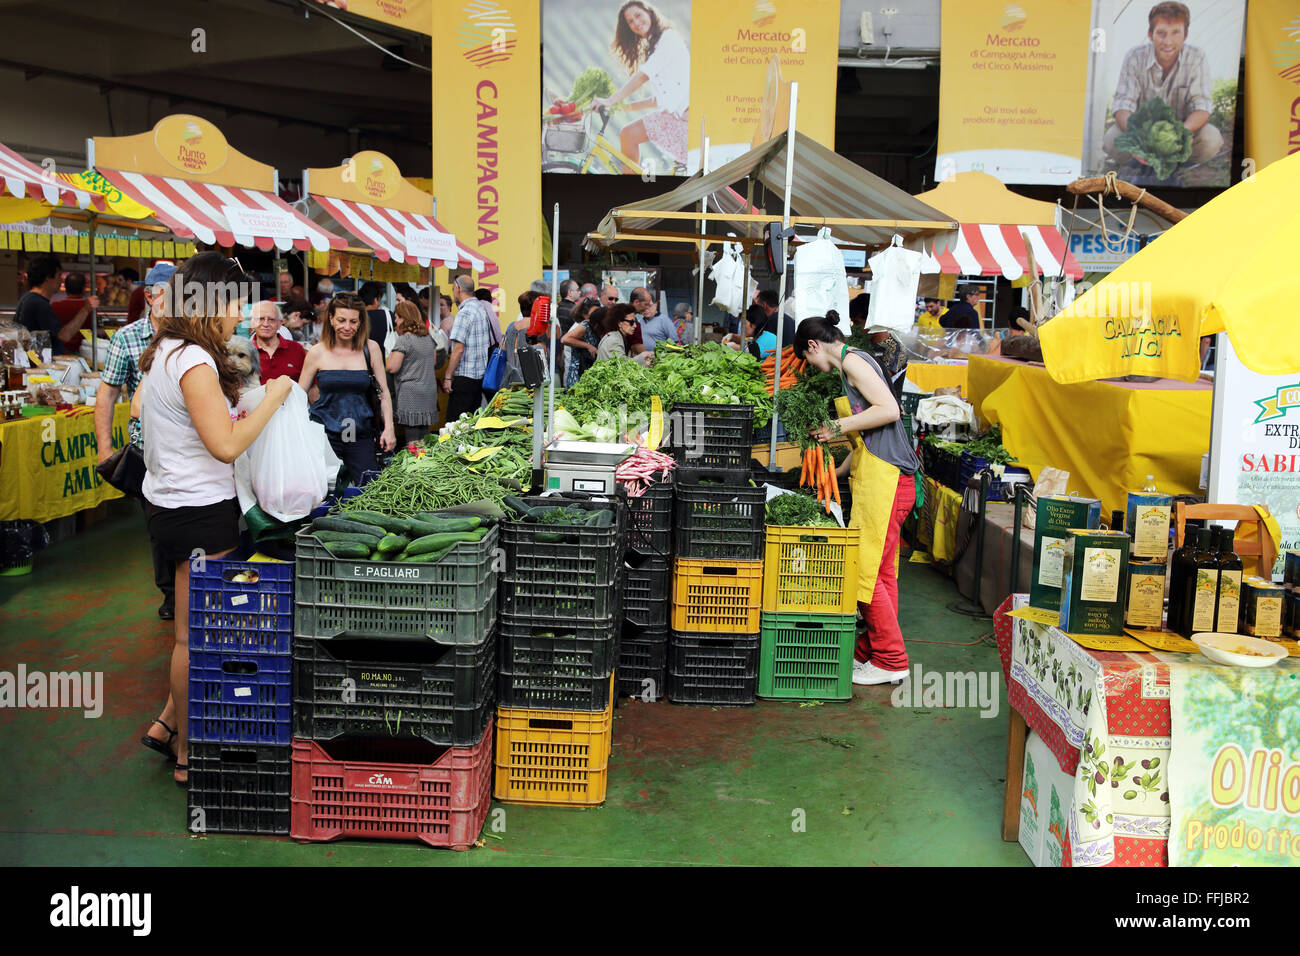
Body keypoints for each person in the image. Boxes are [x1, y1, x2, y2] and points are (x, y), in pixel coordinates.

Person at [136, 252, 295, 785]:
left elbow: (184, 424)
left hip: (169, 504)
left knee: (194, 627)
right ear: (210, 303)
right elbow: (225, 447)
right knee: (196, 637)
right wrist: (272, 399)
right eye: (236, 306)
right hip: (199, 511)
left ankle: (165, 724)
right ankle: (188, 755)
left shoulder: (166, 350)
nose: (241, 318)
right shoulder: (195, 362)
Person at [795, 316, 919, 686]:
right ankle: (871, 650)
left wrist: (834, 427)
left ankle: (892, 660)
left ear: (813, 346)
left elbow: (888, 411)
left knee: (863, 571)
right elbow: (870, 437)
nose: (811, 366)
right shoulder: (857, 360)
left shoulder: (852, 363)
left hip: (887, 483)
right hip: (887, 480)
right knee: (882, 574)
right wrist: (834, 473)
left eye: (806, 358)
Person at [96, 261, 176, 622]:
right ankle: (171, 592)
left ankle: (199, 585)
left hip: (193, 443)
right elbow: (108, 394)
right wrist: (104, 448)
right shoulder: (127, 338)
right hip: (147, 449)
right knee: (158, 523)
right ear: (150, 296)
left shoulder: (193, 334)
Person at [1103, 1, 1221, 170]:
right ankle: (1141, 164)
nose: (1168, 41)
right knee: (1112, 138)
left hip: (1181, 134)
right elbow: (1123, 105)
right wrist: (1141, 138)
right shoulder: (1135, 57)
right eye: (1161, 33)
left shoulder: (1196, 57)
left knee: (1211, 139)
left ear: (1185, 35)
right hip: (1142, 133)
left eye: (1175, 33)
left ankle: (1179, 162)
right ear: (1150, 34)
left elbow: (1202, 106)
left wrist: (1177, 135)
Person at [299, 293, 396, 484]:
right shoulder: (317, 352)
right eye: (341, 320)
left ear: (360, 323)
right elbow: (299, 394)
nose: (347, 327)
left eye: (353, 321)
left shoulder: (371, 348)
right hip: (324, 432)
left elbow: (384, 392)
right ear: (331, 319)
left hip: (359, 431)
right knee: (325, 489)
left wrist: (389, 428)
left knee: (368, 488)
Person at [591, 1, 689, 171]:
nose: (636, 23)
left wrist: (611, 100)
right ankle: (632, 186)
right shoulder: (654, 44)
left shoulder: (668, 38)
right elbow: (659, 99)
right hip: (676, 116)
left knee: (629, 135)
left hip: (686, 119)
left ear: (649, 12)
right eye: (630, 21)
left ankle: (630, 189)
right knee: (628, 134)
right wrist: (623, 107)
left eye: (638, 15)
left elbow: (643, 76)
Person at [17, 257, 98, 356]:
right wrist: (86, 309)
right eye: (59, 275)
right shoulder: (39, 303)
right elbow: (64, 335)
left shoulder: (28, 298)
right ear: (48, 277)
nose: (60, 280)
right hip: (42, 363)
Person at [386, 300, 439, 446]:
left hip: (411, 394)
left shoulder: (404, 340)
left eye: (397, 317)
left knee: (413, 438)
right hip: (428, 391)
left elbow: (392, 367)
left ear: (404, 318)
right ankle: (426, 463)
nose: (395, 321)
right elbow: (433, 362)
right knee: (424, 436)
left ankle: (414, 465)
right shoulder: (428, 338)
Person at [443, 275, 493, 422]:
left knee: (454, 425)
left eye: (453, 289)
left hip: (465, 377)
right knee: (470, 424)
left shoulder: (464, 312)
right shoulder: (480, 308)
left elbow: (458, 348)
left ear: (458, 289)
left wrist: (447, 376)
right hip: (479, 377)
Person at [250, 301, 307, 384]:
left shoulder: (296, 349)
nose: (266, 324)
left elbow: (311, 388)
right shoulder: (243, 351)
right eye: (260, 319)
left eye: (271, 320)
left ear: (280, 324)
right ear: (252, 323)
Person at [562, 299, 603, 386]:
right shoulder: (584, 325)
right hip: (578, 374)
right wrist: (588, 346)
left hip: (588, 373)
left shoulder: (594, 326)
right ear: (585, 315)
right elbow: (565, 339)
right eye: (593, 313)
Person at [50, 272, 97, 344]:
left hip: (61, 348)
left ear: (65, 287)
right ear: (84, 288)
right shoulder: (90, 307)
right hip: (84, 347)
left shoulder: (54, 306)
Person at [631, 286, 678, 351]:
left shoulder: (664, 320)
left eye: (649, 306)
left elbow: (675, 343)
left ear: (656, 304)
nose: (646, 309)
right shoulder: (639, 322)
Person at [357, 281, 392, 355]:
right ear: (376, 300)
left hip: (361, 360)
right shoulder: (387, 315)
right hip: (384, 361)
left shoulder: (355, 317)